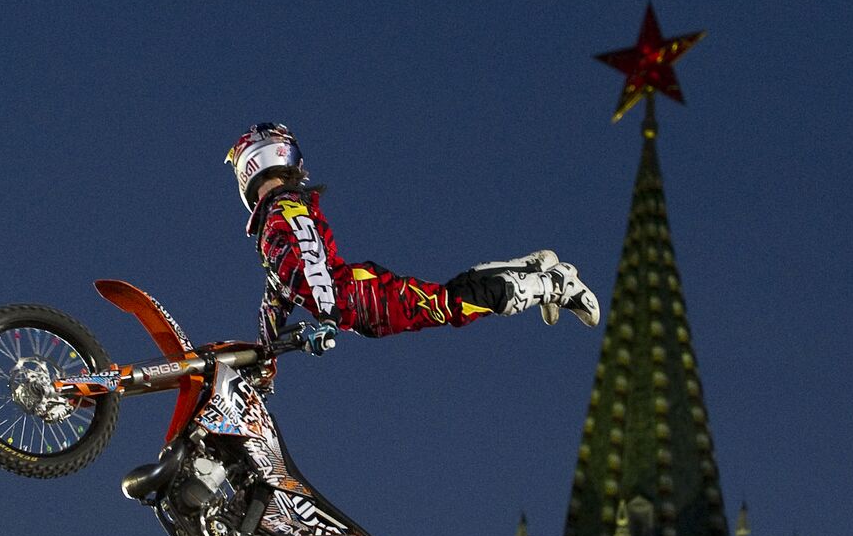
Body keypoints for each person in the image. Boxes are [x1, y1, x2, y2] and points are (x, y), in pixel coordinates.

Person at [224, 122, 600, 362]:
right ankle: (529, 268)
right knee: (446, 299)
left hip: (358, 296)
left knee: (450, 305)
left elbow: (310, 259)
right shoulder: (274, 218)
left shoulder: (285, 208)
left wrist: (326, 315)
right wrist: (264, 351)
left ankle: (552, 284)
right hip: (355, 303)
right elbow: (281, 286)